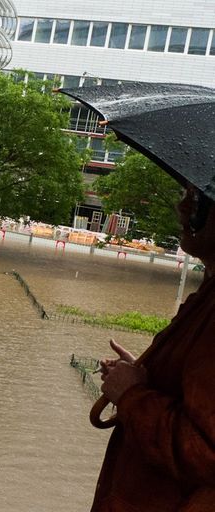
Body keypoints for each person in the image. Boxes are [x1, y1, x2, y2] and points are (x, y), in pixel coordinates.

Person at [92, 184, 215, 511]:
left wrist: (133, 397)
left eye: (199, 199)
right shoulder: (207, 296)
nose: (182, 208)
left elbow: (205, 452)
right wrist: (148, 378)